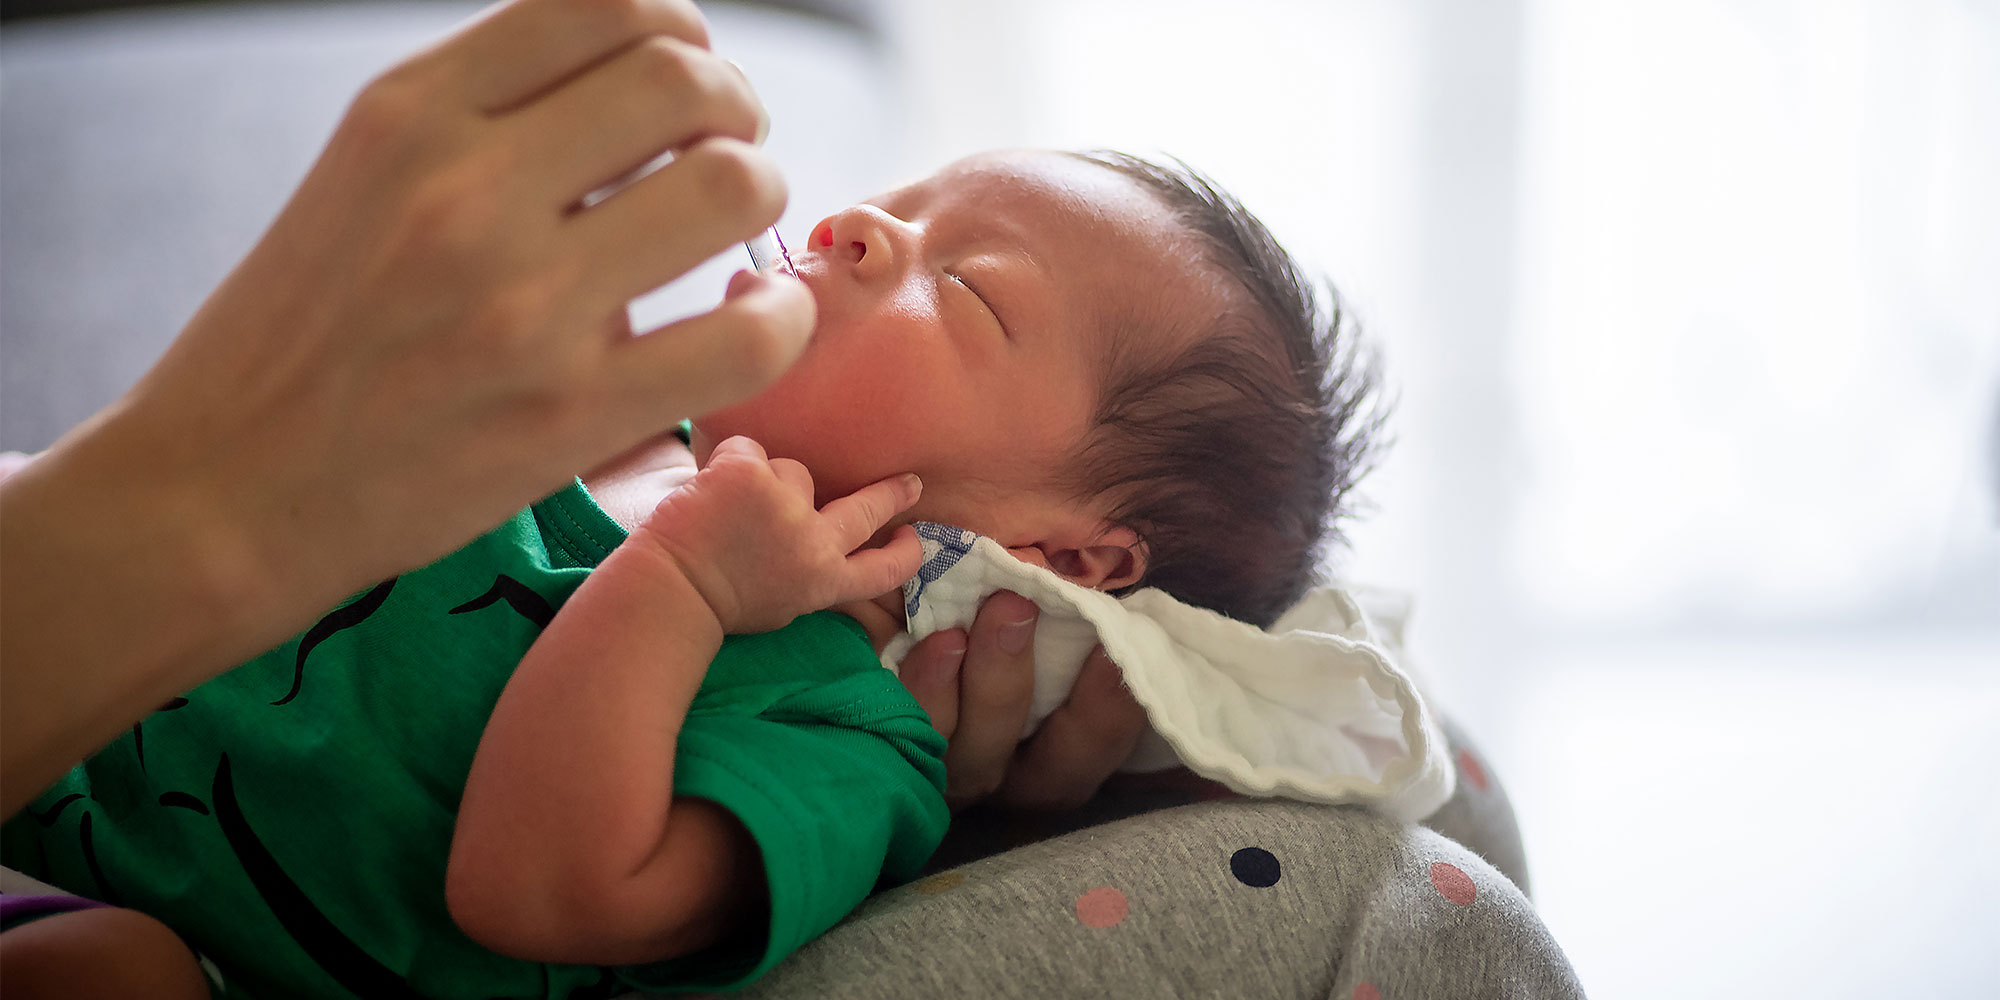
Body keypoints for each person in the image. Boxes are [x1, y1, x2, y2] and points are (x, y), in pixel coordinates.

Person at [0, 148, 1383, 997]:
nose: (857, 223)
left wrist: (682, 588)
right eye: (904, 200)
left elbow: (535, 896)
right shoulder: (644, 434)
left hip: (152, 906)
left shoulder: (850, 729)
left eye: (963, 285)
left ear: (1059, 555)